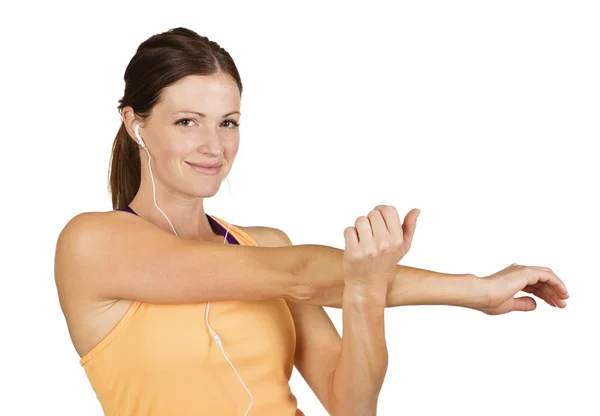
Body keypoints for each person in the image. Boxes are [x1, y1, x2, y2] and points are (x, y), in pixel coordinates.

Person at [54, 27, 569, 416]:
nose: (215, 146)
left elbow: (351, 405)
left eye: (228, 123)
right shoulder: (93, 243)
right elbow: (300, 274)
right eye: (187, 121)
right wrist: (473, 291)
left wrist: (364, 295)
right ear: (135, 122)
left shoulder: (265, 244)